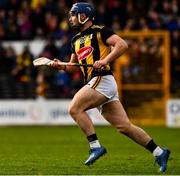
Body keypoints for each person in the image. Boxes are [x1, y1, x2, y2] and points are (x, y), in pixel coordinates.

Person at [50, 2, 170, 172]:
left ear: (83, 16)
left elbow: (122, 44)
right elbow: (72, 66)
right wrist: (60, 66)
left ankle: (95, 146)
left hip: (102, 80)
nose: (70, 18)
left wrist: (105, 60)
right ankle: (159, 152)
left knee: (74, 108)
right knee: (124, 127)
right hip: (97, 83)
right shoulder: (75, 40)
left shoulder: (100, 31)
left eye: (73, 14)